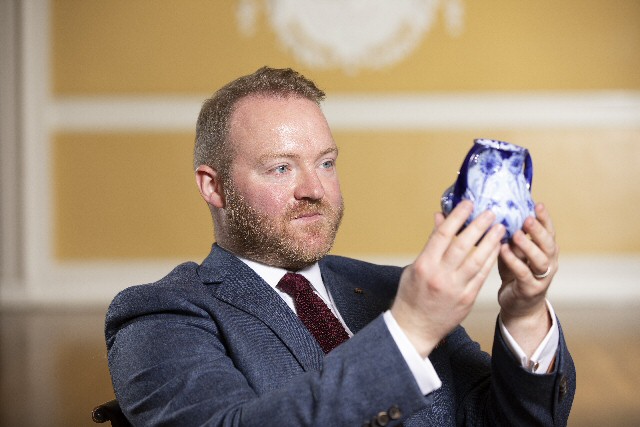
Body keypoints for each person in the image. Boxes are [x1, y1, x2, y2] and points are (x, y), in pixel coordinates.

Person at [105, 67, 575, 426]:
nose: (315, 189)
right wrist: (408, 331)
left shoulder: (392, 287)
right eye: (281, 168)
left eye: (326, 163)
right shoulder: (158, 315)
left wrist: (525, 312)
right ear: (214, 186)